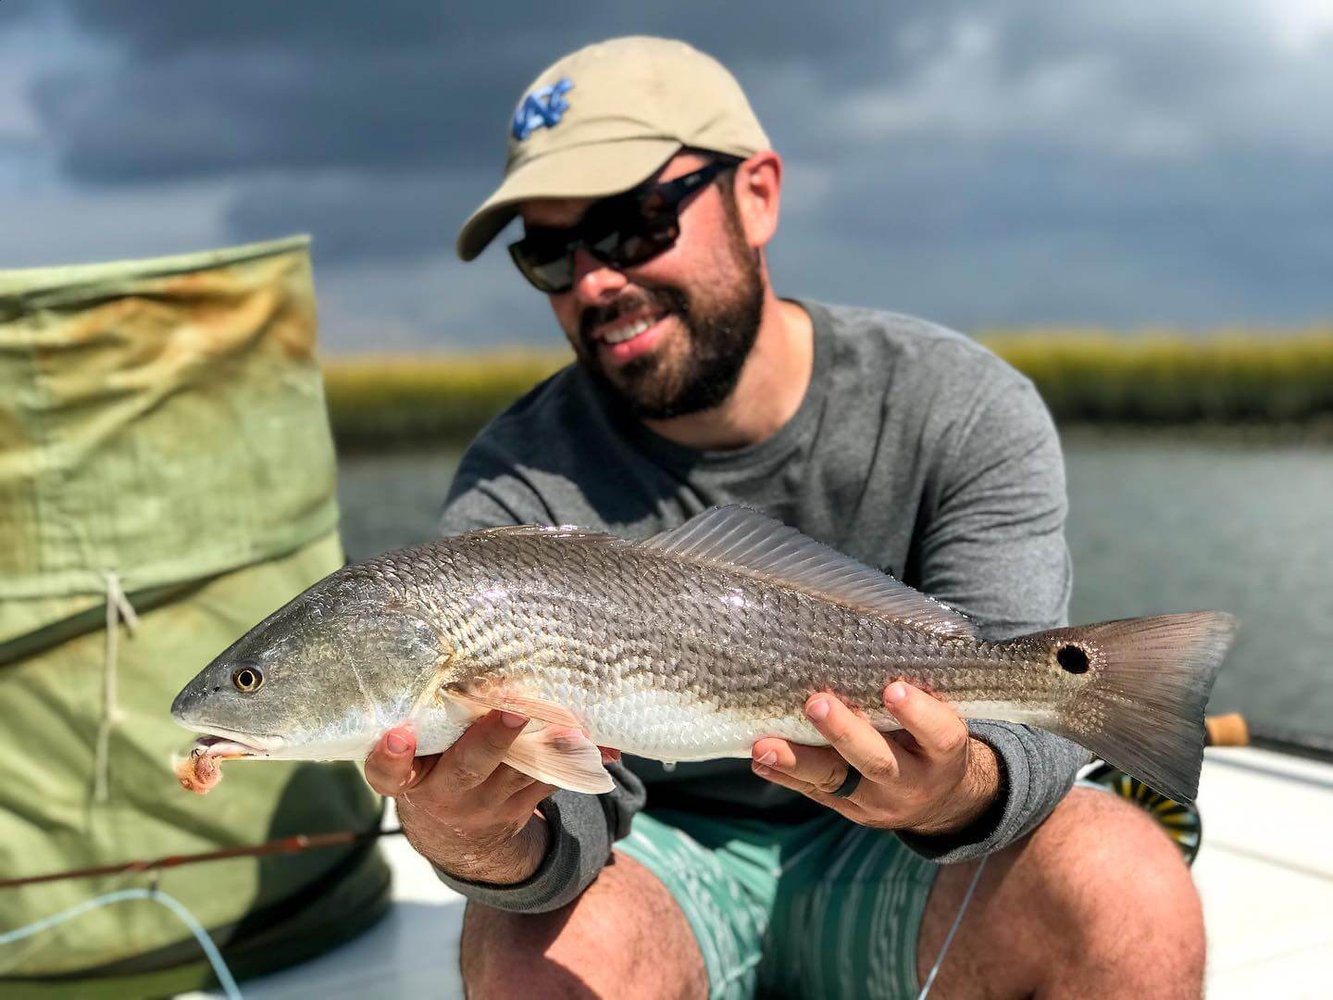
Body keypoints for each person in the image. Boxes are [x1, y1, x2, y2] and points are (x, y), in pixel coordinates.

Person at [364, 36, 1204, 999]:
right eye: (549, 253)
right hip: (668, 861)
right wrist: (476, 842)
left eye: (634, 224)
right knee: (523, 962)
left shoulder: (960, 403)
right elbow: (575, 820)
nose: (594, 280)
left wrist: (952, 786)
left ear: (756, 194)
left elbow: (1021, 702)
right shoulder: (513, 486)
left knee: (1127, 884)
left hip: (907, 861)